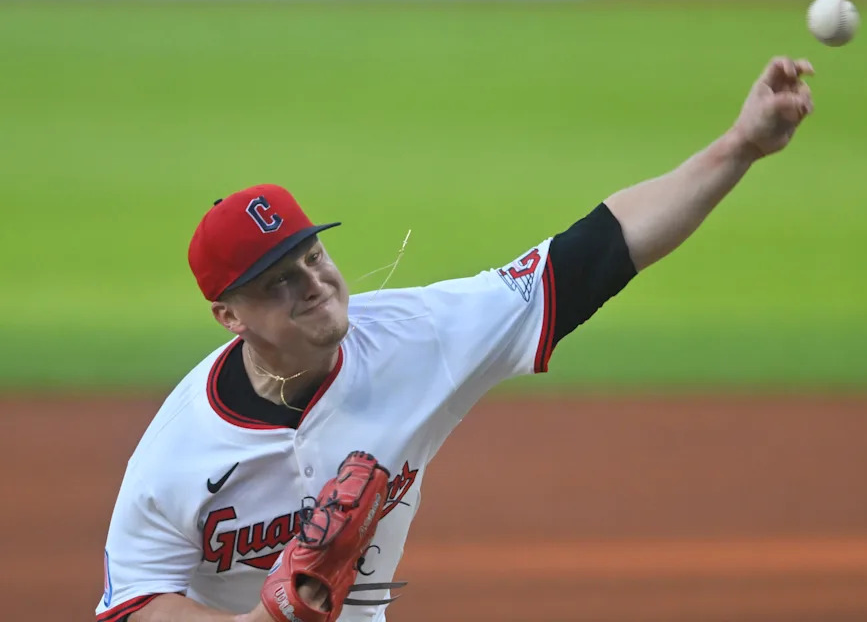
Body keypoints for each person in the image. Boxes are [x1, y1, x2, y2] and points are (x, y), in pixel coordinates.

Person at [96, 56, 815, 622]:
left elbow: (594, 252)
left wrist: (740, 145)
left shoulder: (416, 338)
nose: (312, 281)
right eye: (278, 279)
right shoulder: (177, 455)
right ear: (231, 316)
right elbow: (134, 603)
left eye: (312, 256)